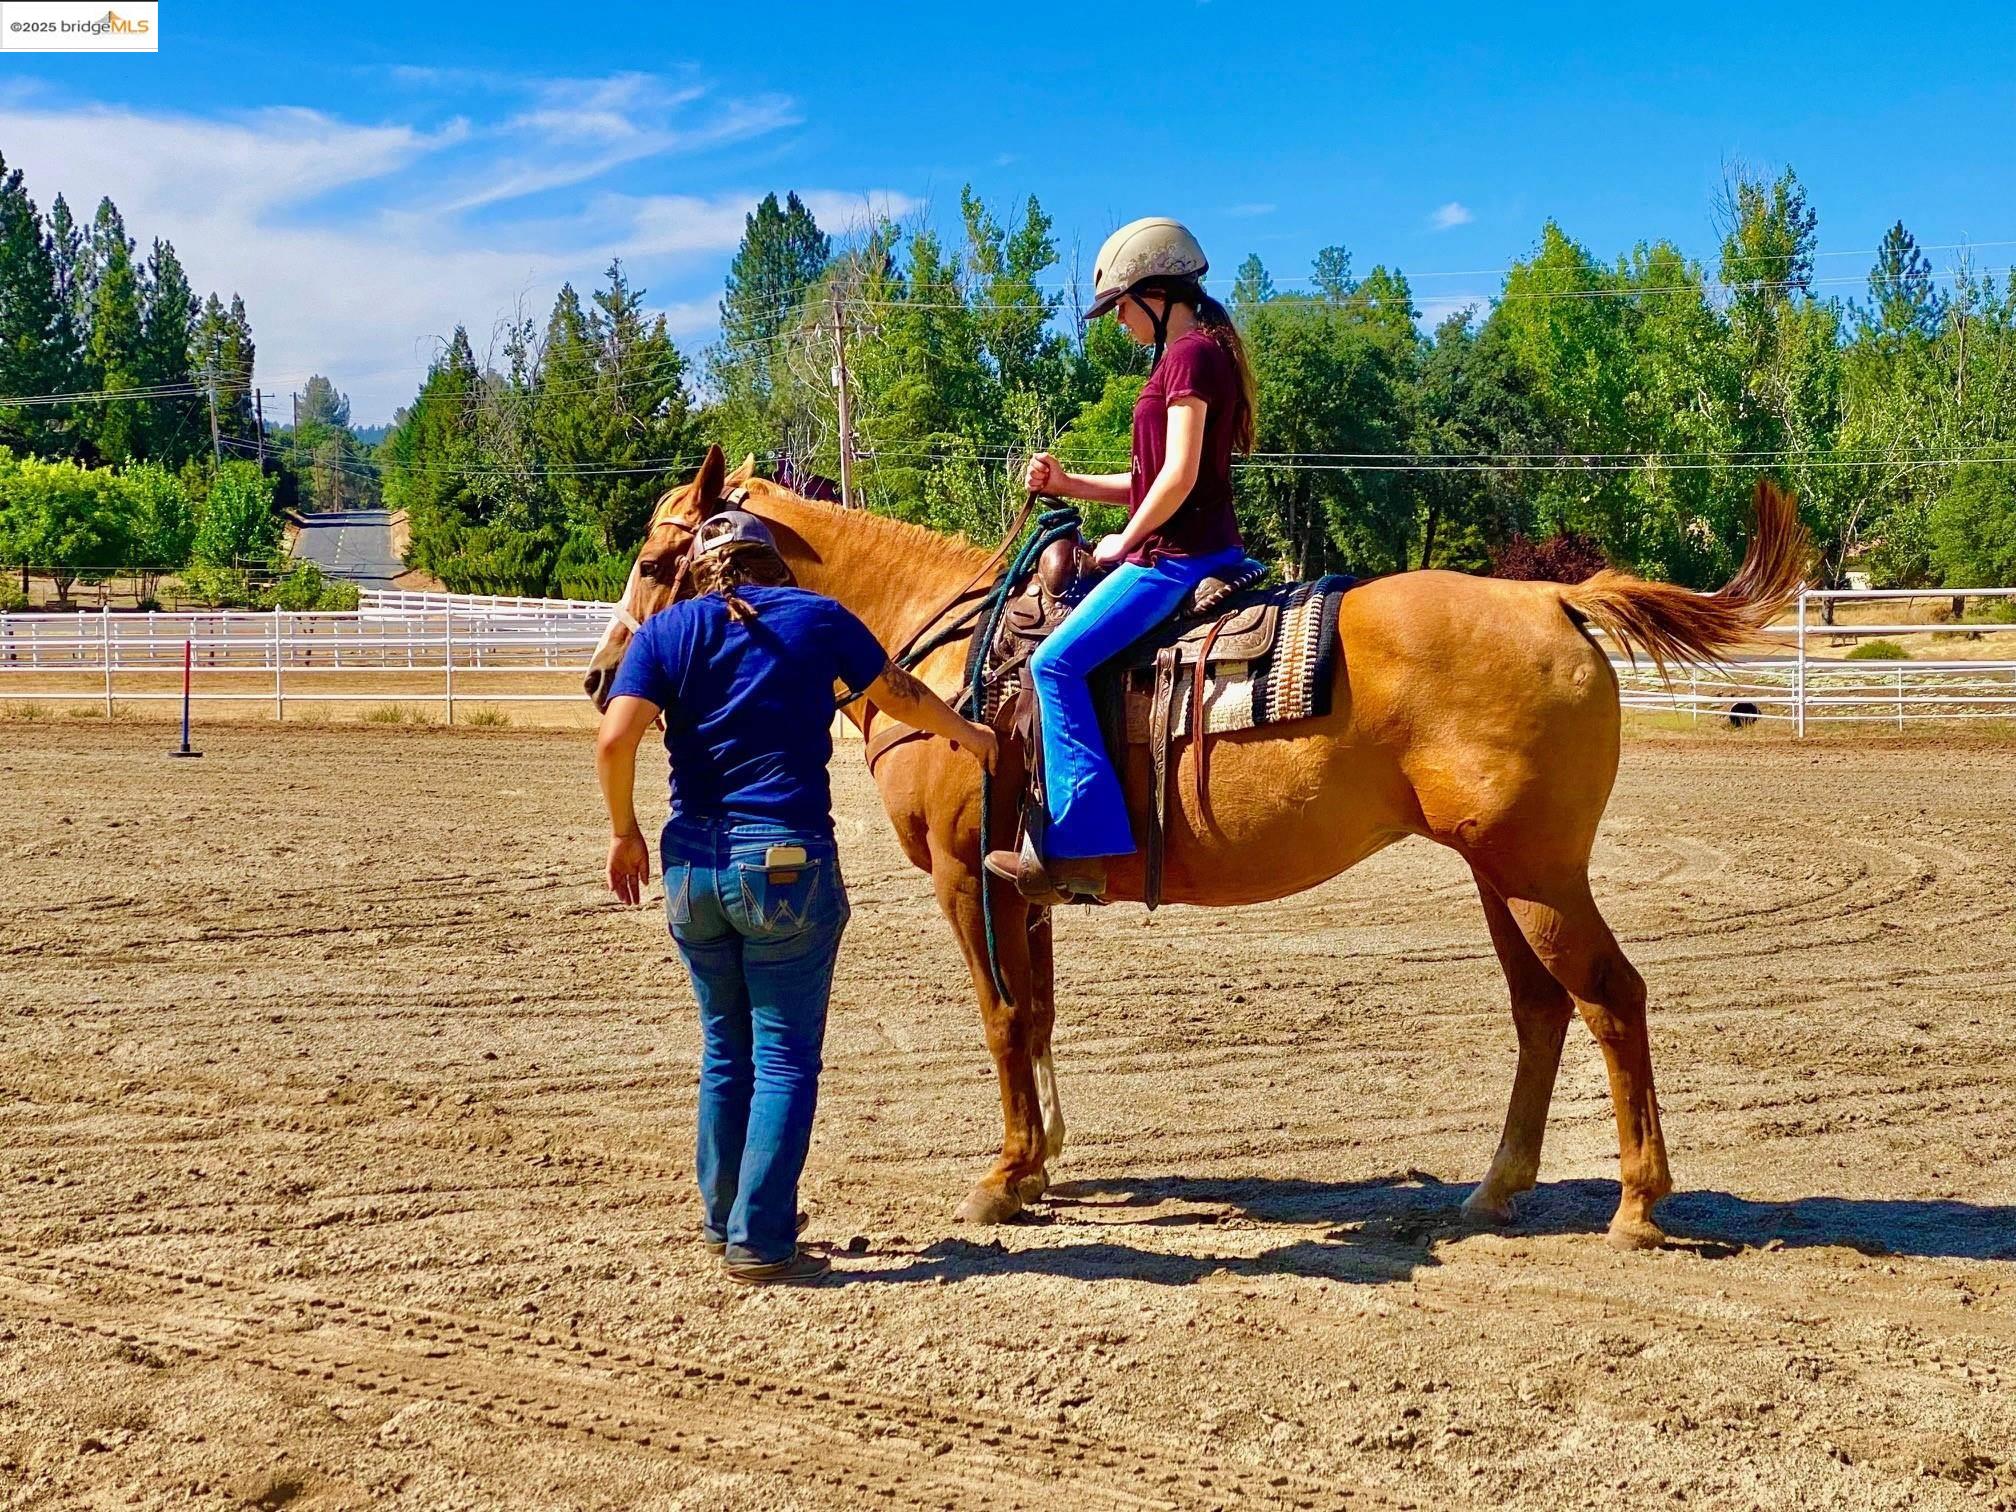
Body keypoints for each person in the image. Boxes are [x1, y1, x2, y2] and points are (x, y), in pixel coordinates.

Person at [596, 510, 996, 1285]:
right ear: (773, 564)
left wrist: (624, 832)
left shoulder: (668, 632)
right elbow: (901, 695)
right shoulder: (818, 618)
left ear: (705, 570)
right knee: (783, 1056)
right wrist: (970, 737)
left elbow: (615, 738)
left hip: (691, 868)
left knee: (724, 1050)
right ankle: (761, 1237)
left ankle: (722, 1223)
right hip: (783, 858)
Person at [985, 217, 1259, 902]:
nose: (1116, 324)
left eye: (1118, 308)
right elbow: (1150, 478)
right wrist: (1069, 485)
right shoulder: (1188, 354)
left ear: (1156, 294)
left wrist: (1128, 541)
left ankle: (1081, 845)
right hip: (1181, 547)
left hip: (1177, 560)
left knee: (1054, 662)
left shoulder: (1191, 356)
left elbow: (1180, 477)